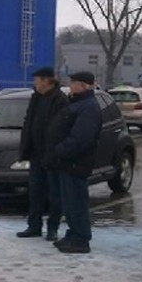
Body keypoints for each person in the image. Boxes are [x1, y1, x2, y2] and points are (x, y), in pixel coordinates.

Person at [45, 71, 102, 254]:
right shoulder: (77, 103)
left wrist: (60, 150)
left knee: (76, 202)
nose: (70, 86)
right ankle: (73, 233)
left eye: (74, 83)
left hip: (75, 163)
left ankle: (81, 238)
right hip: (66, 163)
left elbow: (81, 138)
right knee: (69, 203)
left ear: (84, 86)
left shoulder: (88, 107)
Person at [16, 67, 69, 241]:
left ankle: (52, 227)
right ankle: (34, 225)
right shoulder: (36, 98)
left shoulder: (60, 100)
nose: (35, 83)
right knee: (35, 191)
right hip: (36, 154)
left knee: (54, 193)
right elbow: (29, 121)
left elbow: (60, 128)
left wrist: (55, 150)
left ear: (46, 81)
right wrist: (26, 147)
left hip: (53, 154)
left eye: (37, 79)